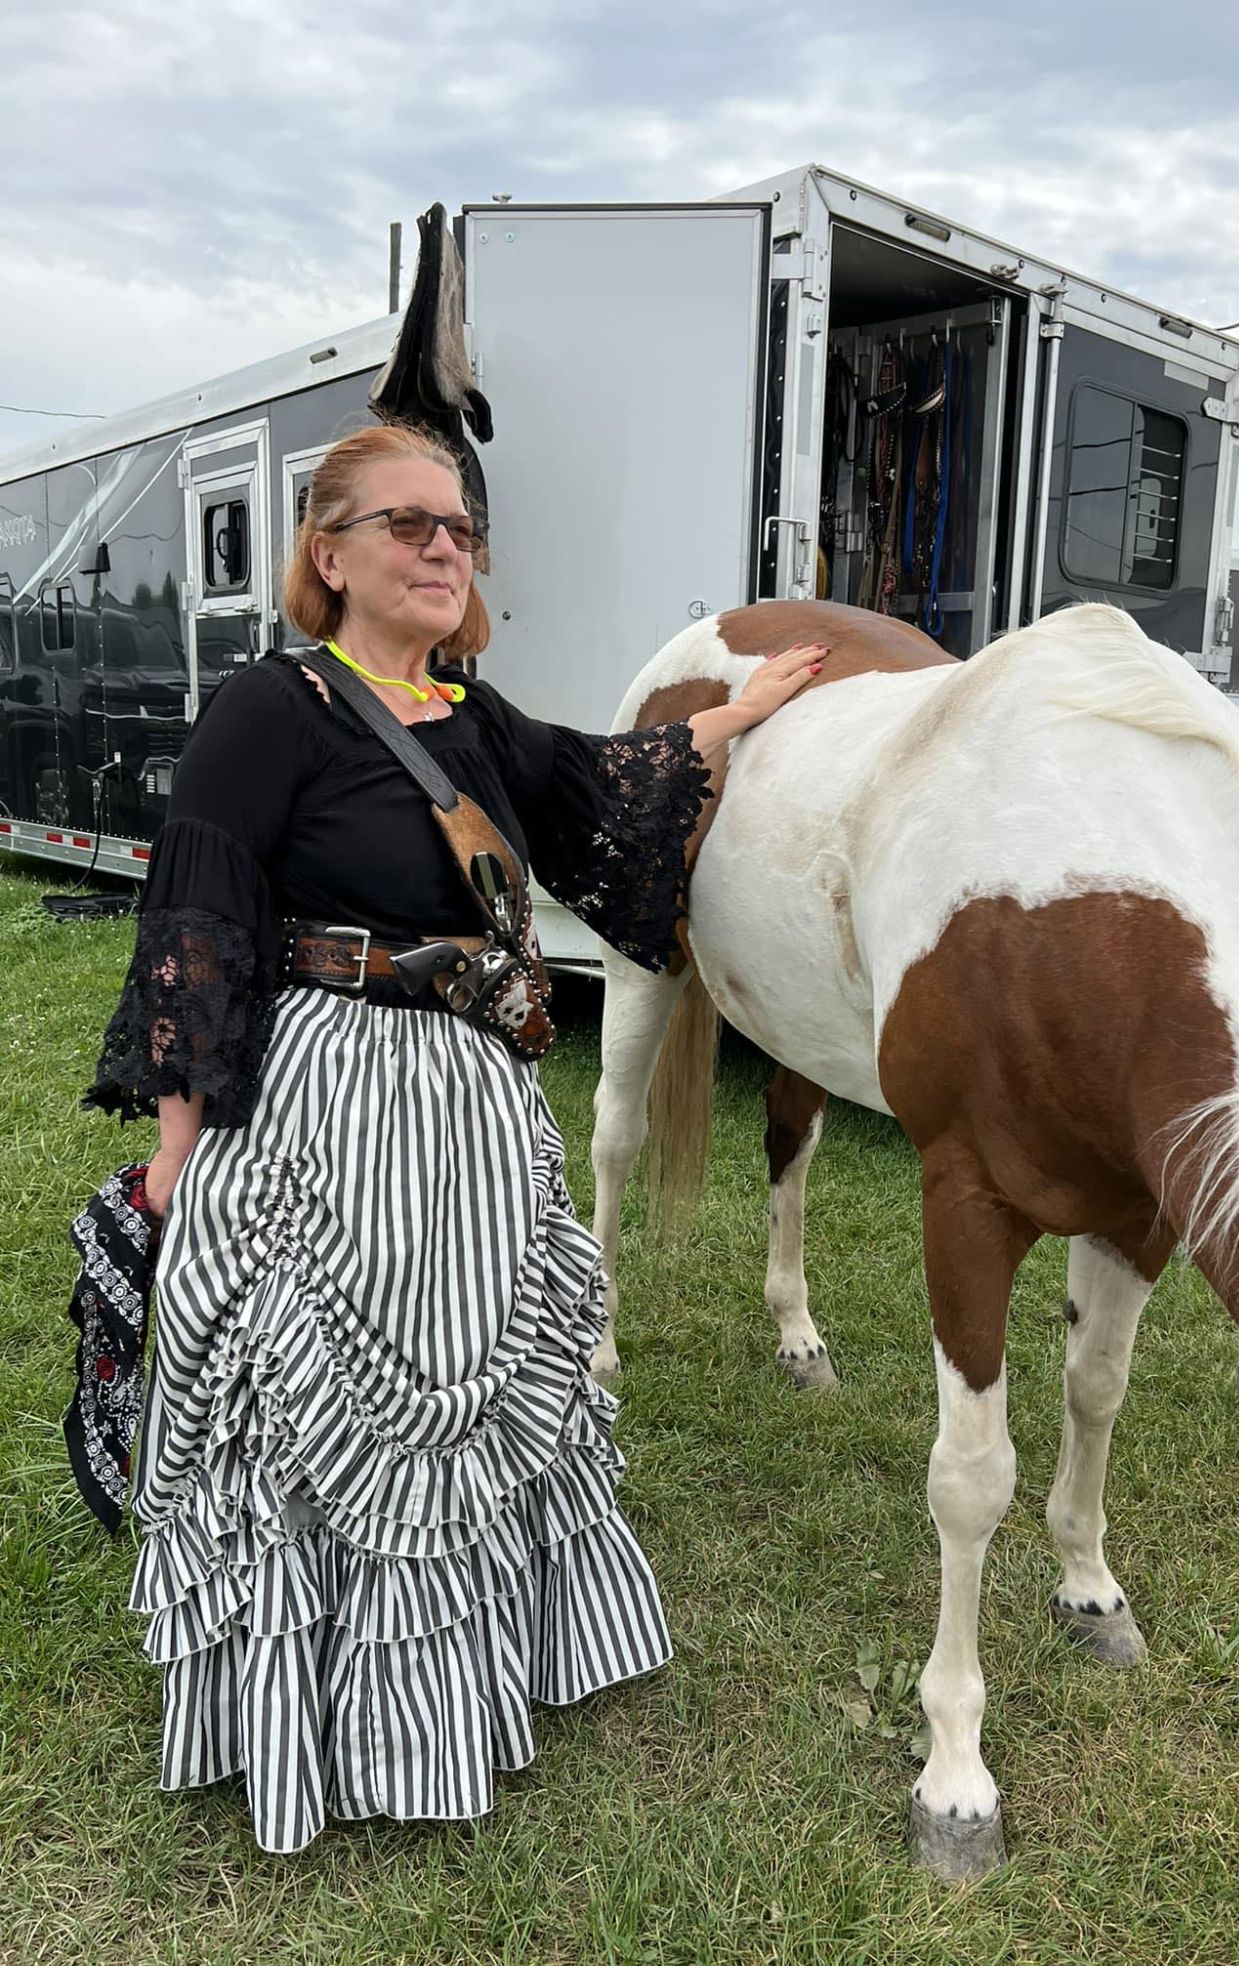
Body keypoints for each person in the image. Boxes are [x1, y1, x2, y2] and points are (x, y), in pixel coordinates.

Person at [85, 421, 826, 1853]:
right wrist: (177, 1151)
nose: (443, 548)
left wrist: (738, 714)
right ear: (329, 550)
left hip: (476, 1100)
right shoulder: (270, 708)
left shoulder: (471, 714)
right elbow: (194, 926)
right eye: (410, 523)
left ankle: (469, 1672)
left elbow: (595, 781)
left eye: (461, 530)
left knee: (484, 1367)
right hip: (328, 1091)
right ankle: (310, 1704)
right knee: (317, 1391)